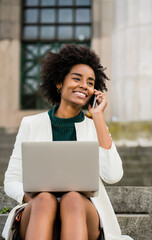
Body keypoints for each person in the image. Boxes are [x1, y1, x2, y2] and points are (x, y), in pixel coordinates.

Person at [2, 44, 133, 240]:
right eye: (76, 78)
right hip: (38, 212)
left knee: (73, 197)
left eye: (90, 82)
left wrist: (98, 118)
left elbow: (113, 175)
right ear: (58, 82)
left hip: (82, 214)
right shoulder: (30, 124)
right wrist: (34, 197)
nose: (84, 86)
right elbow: (11, 180)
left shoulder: (94, 127)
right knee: (45, 199)